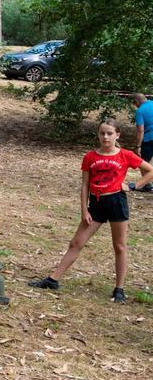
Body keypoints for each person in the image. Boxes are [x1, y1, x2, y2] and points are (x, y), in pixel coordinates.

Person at [30, 119, 153, 303]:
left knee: (119, 246)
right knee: (76, 243)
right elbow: (85, 184)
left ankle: (119, 288)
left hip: (116, 201)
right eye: (102, 133)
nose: (105, 137)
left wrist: (134, 185)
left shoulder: (125, 155)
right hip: (95, 204)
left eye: (109, 133)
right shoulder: (90, 157)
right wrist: (83, 210)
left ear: (117, 135)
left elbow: (150, 170)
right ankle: (53, 280)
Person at [129, 93, 153, 192]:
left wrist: (138, 146)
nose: (135, 106)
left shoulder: (140, 111)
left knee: (144, 162)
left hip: (149, 139)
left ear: (137, 102)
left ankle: (147, 185)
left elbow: (140, 130)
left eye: (134, 103)